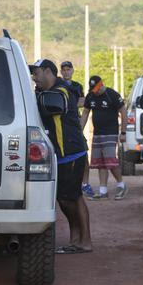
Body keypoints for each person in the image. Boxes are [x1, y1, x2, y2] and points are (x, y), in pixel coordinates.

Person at [29, 58, 92, 254]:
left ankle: (85, 241)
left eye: (36, 73)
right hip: (62, 154)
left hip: (71, 153)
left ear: (48, 72)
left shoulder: (61, 91)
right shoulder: (44, 91)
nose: (33, 77)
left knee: (70, 198)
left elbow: (52, 103)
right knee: (68, 198)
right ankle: (77, 240)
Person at [80, 75, 128, 200]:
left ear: (101, 84)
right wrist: (79, 130)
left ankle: (121, 185)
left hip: (111, 132)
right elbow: (85, 113)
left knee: (110, 160)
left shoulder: (111, 94)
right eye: (92, 89)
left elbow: (123, 112)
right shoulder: (90, 96)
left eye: (96, 88)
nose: (94, 91)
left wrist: (123, 132)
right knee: (100, 162)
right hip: (97, 133)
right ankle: (103, 191)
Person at [60, 60, 94, 199]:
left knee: (83, 154)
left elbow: (83, 103)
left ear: (73, 71)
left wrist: (71, 104)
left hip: (75, 124)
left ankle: (85, 184)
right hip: (61, 124)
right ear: (61, 72)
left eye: (69, 69)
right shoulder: (58, 84)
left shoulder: (77, 86)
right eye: (64, 69)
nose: (66, 72)